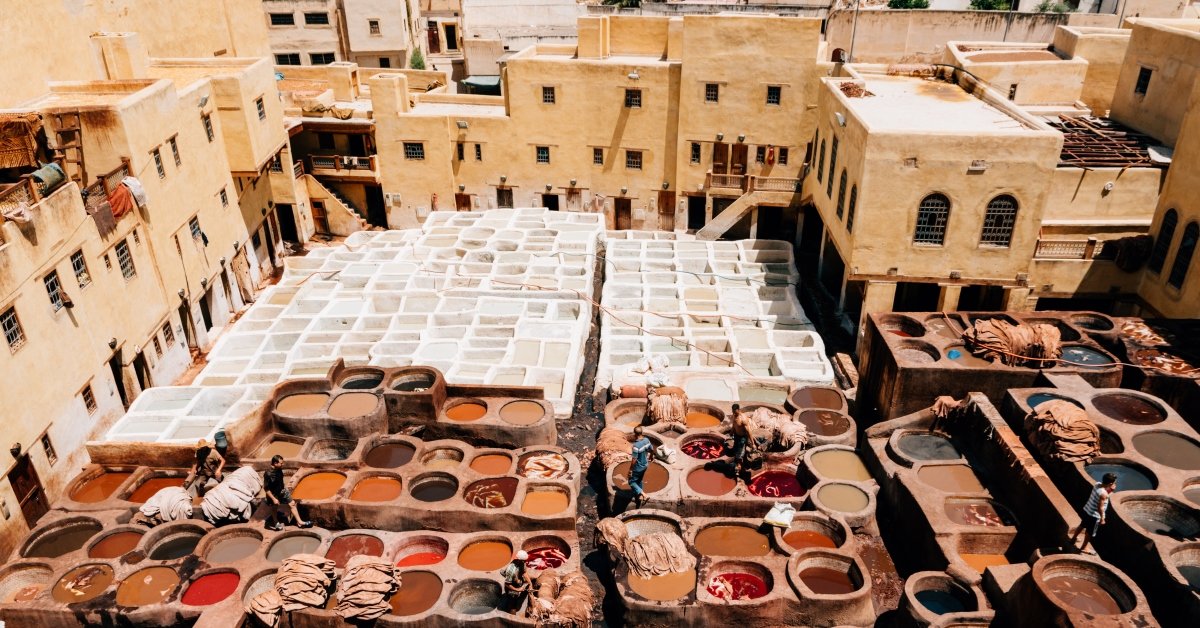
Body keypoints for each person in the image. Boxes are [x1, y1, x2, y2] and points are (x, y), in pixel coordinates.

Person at [1070, 472, 1116, 553]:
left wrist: (1110, 490)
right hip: (1094, 516)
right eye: (1114, 482)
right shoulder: (1103, 494)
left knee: (1082, 525)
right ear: (1110, 483)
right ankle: (1084, 547)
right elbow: (1100, 507)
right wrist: (1102, 518)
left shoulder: (1097, 484)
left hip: (1087, 510)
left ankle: (1073, 539)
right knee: (1089, 532)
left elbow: (1102, 493)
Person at [263, 455, 312, 531]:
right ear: (275, 463)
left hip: (282, 491)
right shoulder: (268, 474)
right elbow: (266, 489)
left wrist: (284, 488)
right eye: (281, 463)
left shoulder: (279, 469)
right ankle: (276, 523)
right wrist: (273, 499)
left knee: (292, 503)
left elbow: (280, 480)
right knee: (274, 508)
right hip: (273, 494)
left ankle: (300, 522)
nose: (283, 464)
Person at [628, 426, 653, 508]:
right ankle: (639, 496)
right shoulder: (647, 440)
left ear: (635, 434)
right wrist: (651, 456)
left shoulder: (636, 446)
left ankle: (643, 494)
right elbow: (651, 449)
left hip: (638, 467)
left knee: (631, 482)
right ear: (642, 432)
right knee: (639, 480)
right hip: (645, 464)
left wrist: (630, 470)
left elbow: (634, 459)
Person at [729, 404, 754, 475]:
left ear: (738, 410)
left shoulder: (743, 419)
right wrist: (731, 432)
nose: (734, 413)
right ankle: (742, 464)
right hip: (736, 436)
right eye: (733, 411)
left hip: (742, 438)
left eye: (735, 412)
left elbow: (748, 431)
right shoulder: (734, 415)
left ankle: (739, 470)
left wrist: (753, 442)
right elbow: (734, 425)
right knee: (736, 450)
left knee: (740, 454)